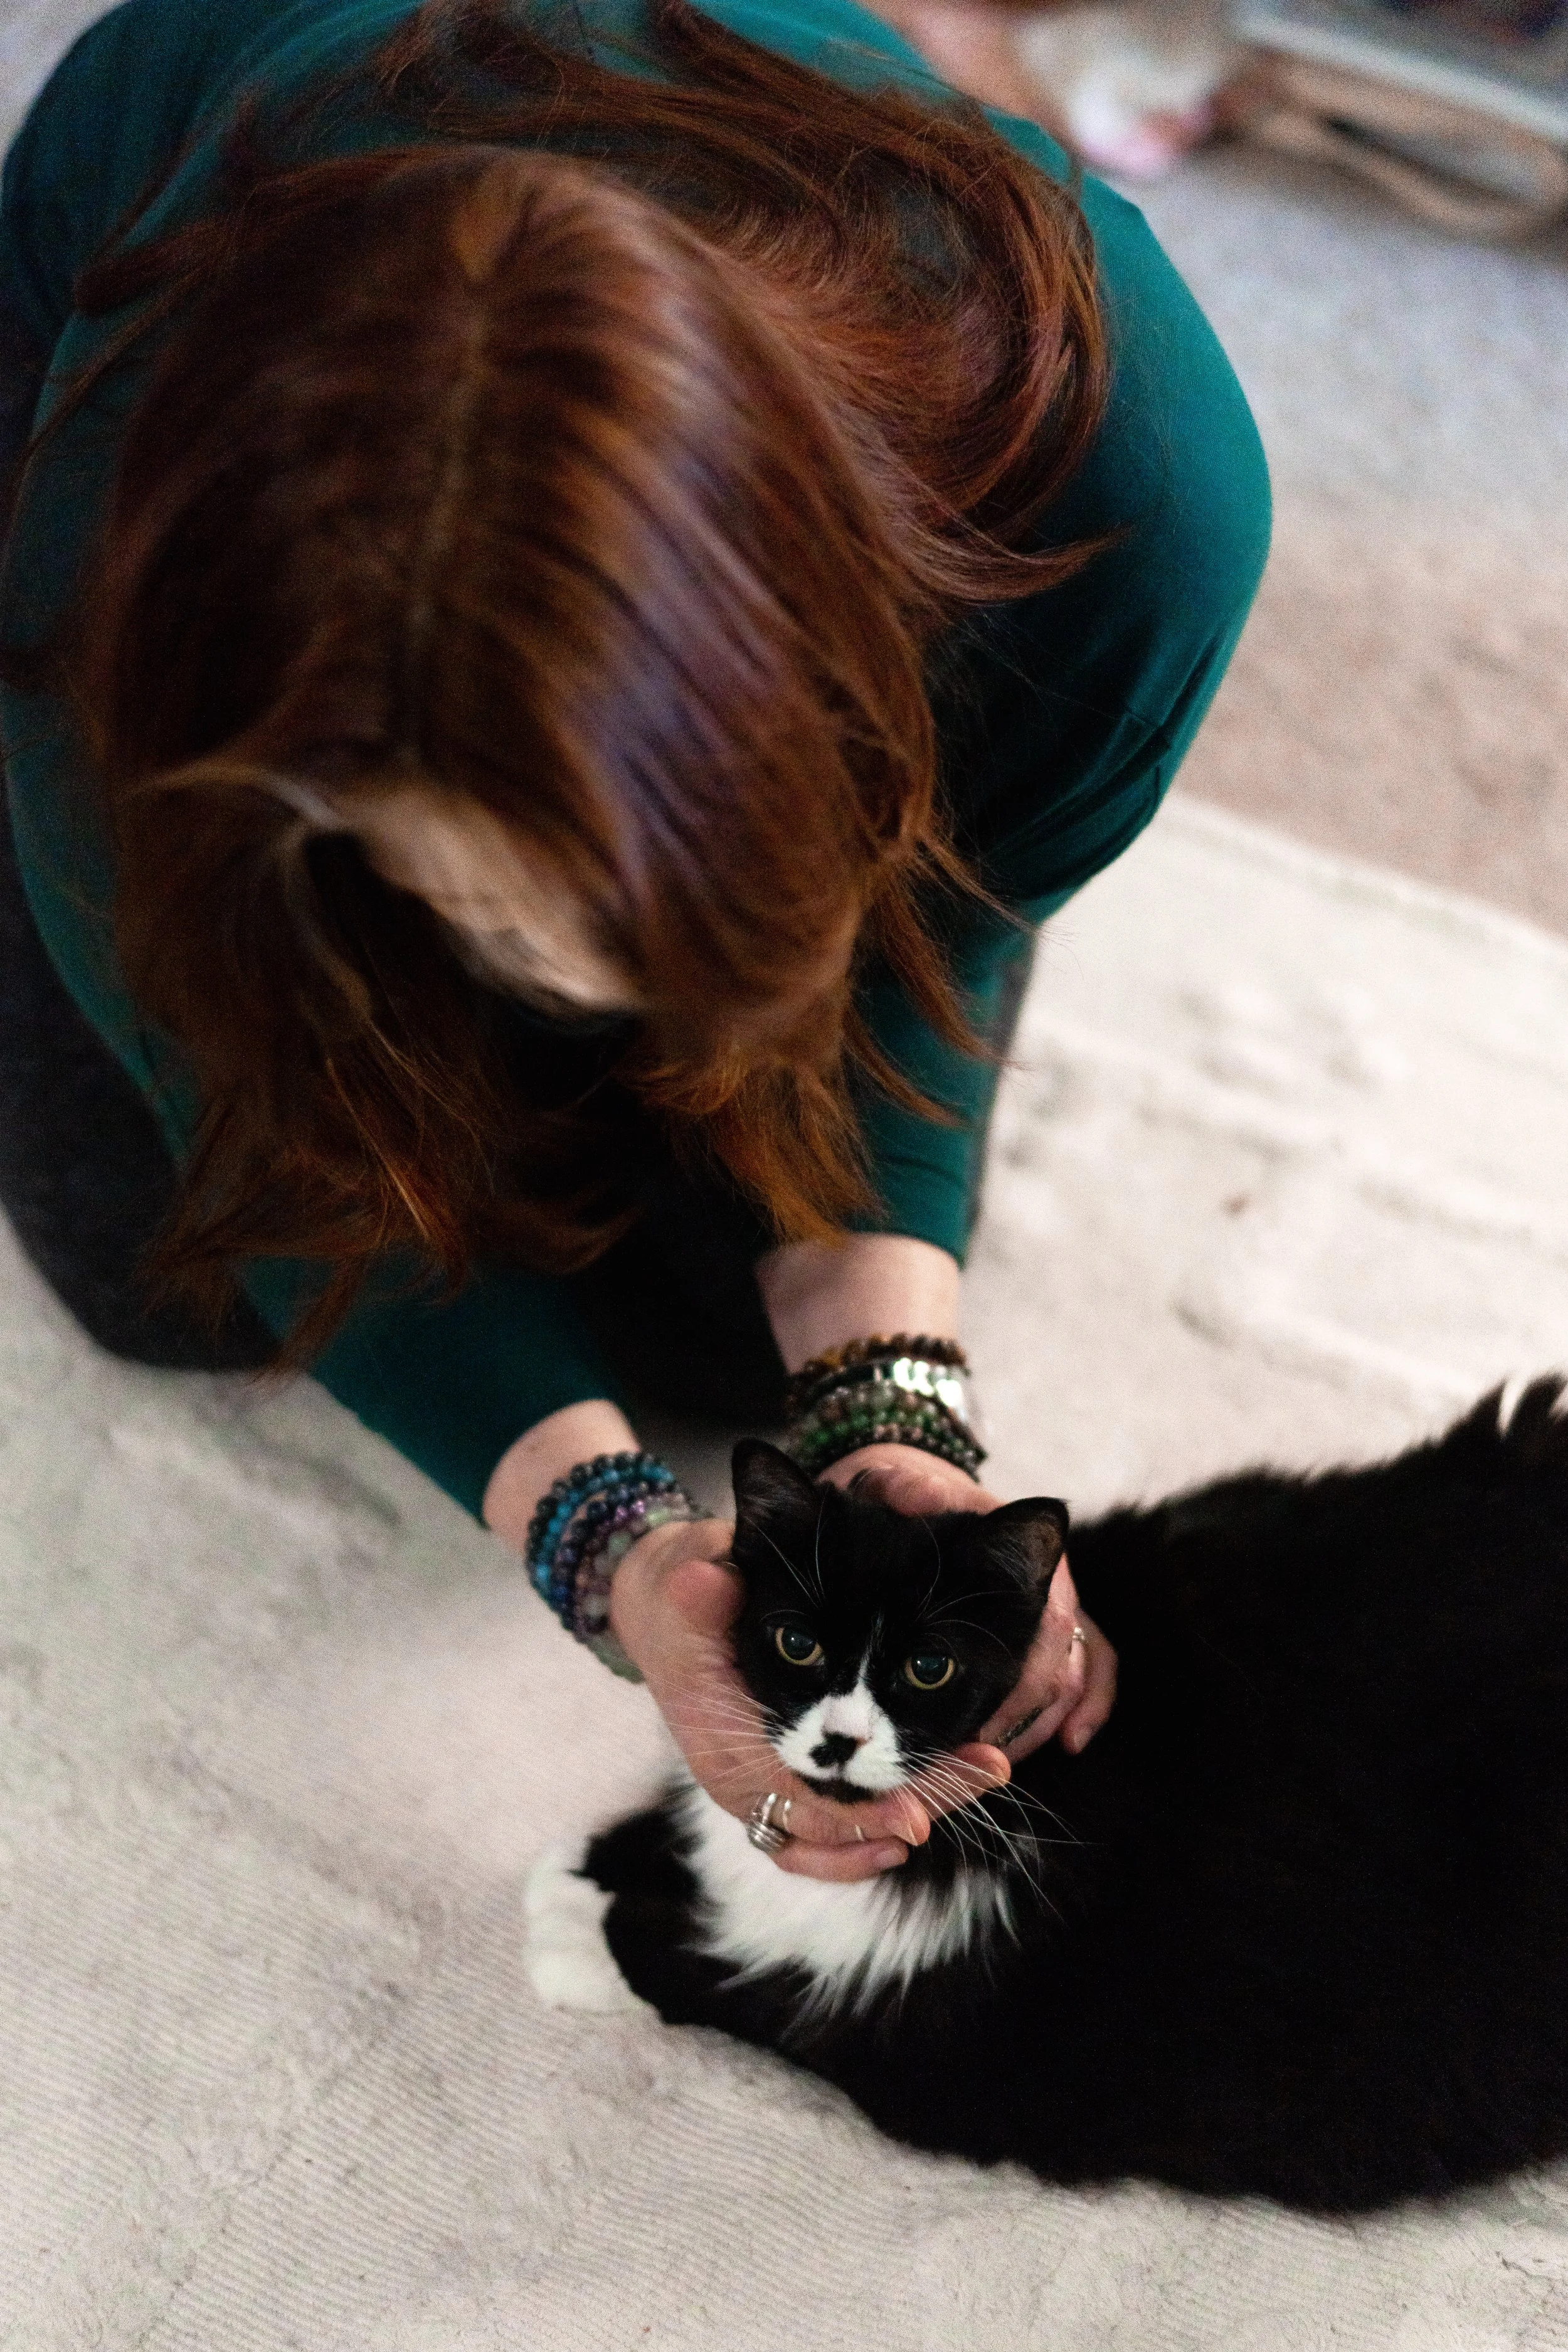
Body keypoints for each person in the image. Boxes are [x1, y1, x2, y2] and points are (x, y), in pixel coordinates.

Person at [0, 0, 1269, 1885]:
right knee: (166, 1265)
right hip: (155, 352)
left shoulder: (1131, 513)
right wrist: (602, 1539)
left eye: (580, 918)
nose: (521, 974)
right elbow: (229, 1060)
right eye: (437, 881)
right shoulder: (135, 507)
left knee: (724, 1337)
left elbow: (945, 929)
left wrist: (883, 1385)